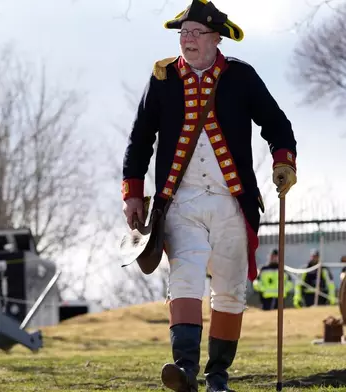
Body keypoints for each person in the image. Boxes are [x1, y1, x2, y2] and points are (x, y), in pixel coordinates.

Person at [121, 1, 297, 391]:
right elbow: (140, 138)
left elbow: (277, 124)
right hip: (180, 201)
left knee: (231, 288)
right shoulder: (163, 78)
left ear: (217, 38)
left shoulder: (242, 77)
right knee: (184, 278)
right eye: (183, 33)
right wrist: (133, 192)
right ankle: (185, 370)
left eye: (196, 33)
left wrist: (283, 162)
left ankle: (218, 376)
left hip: (231, 202)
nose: (187, 40)